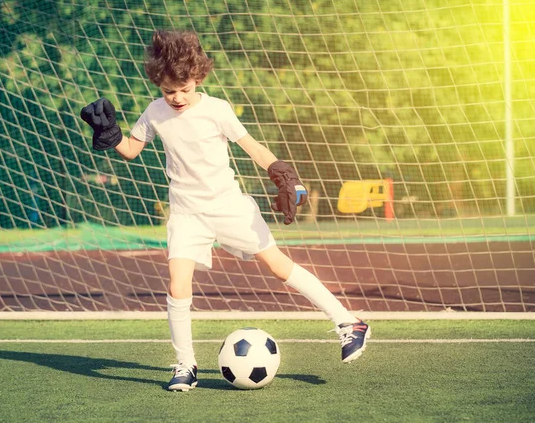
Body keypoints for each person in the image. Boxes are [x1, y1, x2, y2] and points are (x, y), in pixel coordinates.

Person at [80, 30, 370, 392]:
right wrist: (108, 134)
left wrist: (285, 176)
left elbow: (253, 147)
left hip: (228, 205)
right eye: (169, 91)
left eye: (184, 89)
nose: (177, 97)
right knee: (177, 282)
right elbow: (131, 149)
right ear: (158, 84)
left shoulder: (217, 109)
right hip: (186, 212)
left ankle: (349, 323)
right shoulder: (154, 112)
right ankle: (185, 364)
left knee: (279, 266)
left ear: (197, 78)